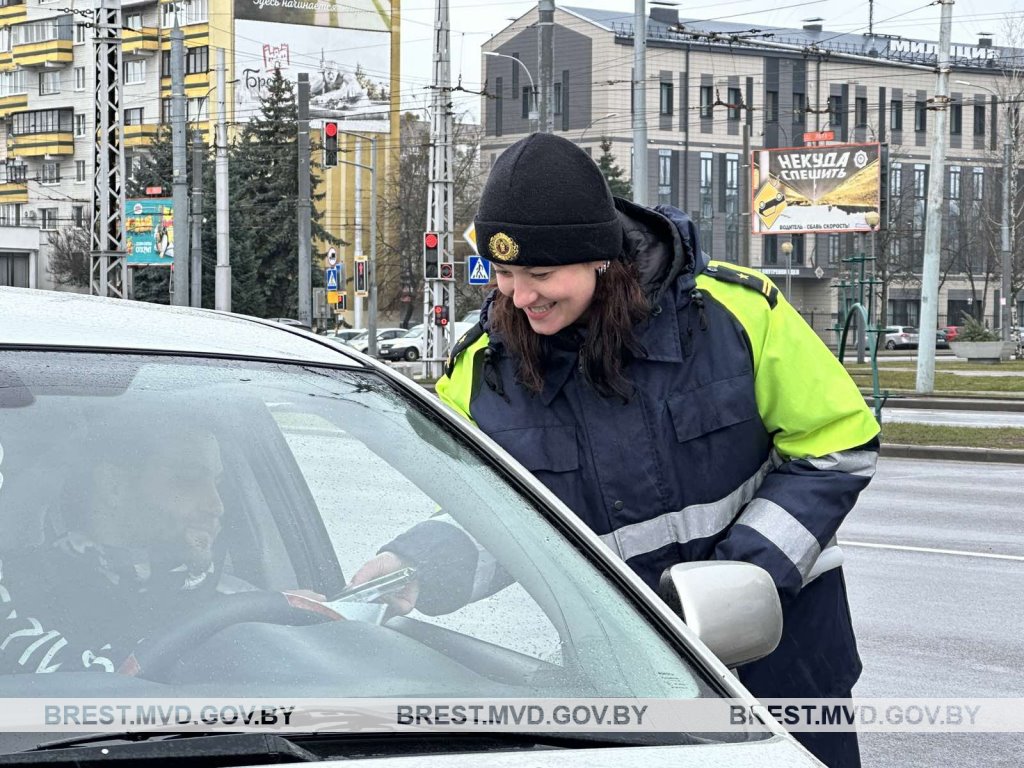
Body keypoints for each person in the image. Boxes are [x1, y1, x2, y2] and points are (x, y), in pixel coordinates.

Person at [353, 132, 879, 768]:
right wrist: (418, 564)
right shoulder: (481, 375)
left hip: (784, 667)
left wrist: (741, 583)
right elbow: (504, 520)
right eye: (503, 275)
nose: (520, 297)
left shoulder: (736, 315)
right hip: (629, 689)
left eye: (541, 274)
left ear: (601, 258)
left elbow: (837, 444)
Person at [0, 423, 228, 674]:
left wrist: (194, 574)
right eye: (189, 478)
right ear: (114, 485)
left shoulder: (220, 588)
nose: (217, 506)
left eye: (217, 482)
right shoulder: (23, 587)